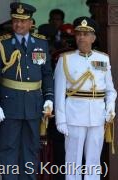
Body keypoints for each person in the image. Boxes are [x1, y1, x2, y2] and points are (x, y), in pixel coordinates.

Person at [0, 2, 54, 180]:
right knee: (9, 150)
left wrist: (49, 98)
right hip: (9, 104)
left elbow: (47, 73)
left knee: (31, 149)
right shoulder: (2, 44)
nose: (18, 24)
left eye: (23, 21)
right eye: (15, 20)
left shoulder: (41, 43)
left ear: (31, 23)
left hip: (33, 104)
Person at [54, 16, 117, 180]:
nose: (81, 37)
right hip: (73, 116)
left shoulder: (103, 59)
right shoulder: (65, 59)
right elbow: (59, 92)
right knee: (73, 161)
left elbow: (110, 90)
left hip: (97, 117)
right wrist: (60, 120)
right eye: (78, 34)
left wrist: (110, 107)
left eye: (85, 34)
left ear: (93, 38)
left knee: (94, 162)